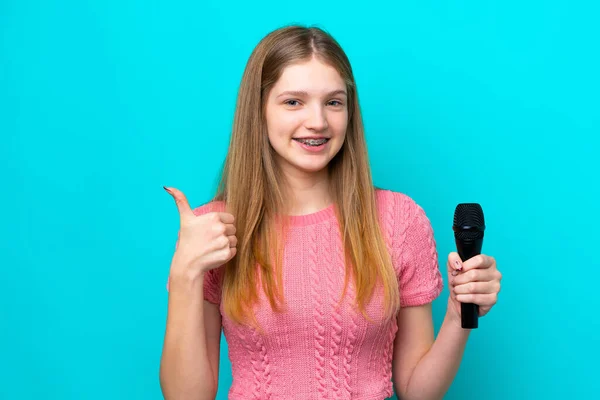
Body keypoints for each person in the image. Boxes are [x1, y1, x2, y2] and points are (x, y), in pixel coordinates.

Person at [159, 25, 502, 400]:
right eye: (293, 102)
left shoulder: (399, 220)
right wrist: (185, 273)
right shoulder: (214, 229)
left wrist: (457, 314)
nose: (318, 122)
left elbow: (417, 391)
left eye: (334, 102)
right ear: (258, 110)